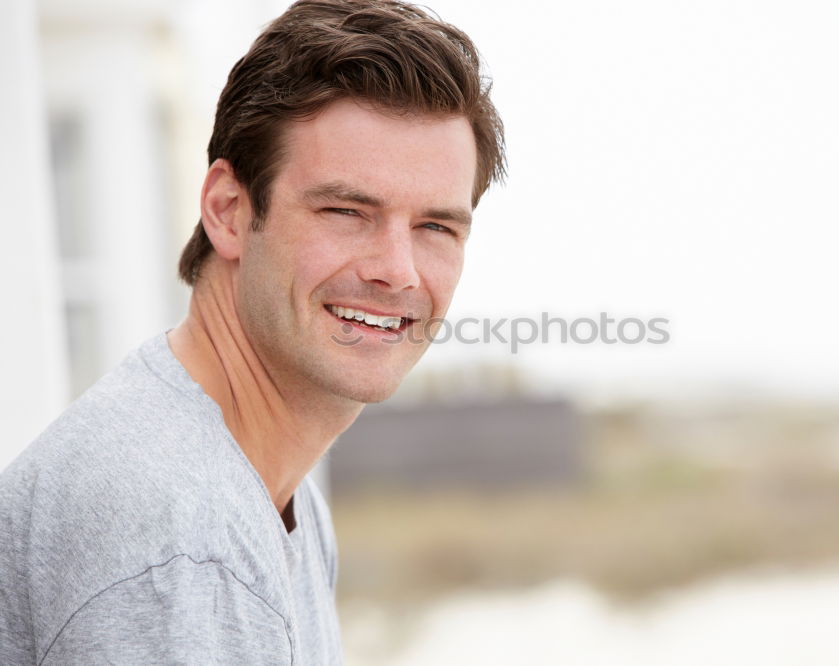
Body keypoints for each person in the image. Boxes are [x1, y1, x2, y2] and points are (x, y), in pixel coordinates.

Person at [0, 0, 505, 663]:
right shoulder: (182, 538)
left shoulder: (262, 484)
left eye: (436, 227)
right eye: (347, 211)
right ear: (229, 212)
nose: (398, 272)